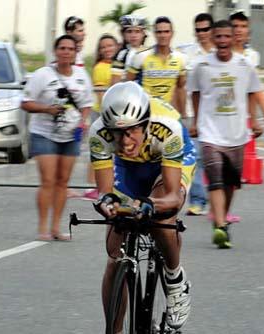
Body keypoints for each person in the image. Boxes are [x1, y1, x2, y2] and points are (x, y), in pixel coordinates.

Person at [90, 82, 194, 331]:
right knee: (114, 253)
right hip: (129, 169)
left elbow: (172, 196)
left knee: (161, 220)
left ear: (145, 123)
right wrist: (108, 204)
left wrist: (151, 204)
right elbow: (105, 192)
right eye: (117, 133)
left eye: (132, 131)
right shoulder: (98, 133)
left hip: (164, 164)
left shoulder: (166, 127)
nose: (125, 141)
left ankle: (174, 277)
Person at [188, 20, 262, 249]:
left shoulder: (244, 65)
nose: (222, 41)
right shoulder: (201, 65)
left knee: (231, 184)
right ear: (212, 38)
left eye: (226, 37)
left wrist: (254, 119)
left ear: (233, 39)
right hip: (210, 133)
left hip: (237, 134)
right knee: (216, 180)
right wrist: (196, 121)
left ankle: (221, 216)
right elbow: (196, 93)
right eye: (217, 37)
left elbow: (252, 92)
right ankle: (220, 226)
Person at [21, 35, 93, 241]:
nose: (66, 52)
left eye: (70, 49)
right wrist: (47, 109)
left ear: (75, 52)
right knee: (48, 180)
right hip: (44, 133)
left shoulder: (81, 75)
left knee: (63, 182)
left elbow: (87, 103)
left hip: (71, 134)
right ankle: (42, 227)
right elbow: (25, 102)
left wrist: (83, 121)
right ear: (55, 51)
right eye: (62, 48)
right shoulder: (42, 75)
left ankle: (56, 227)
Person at [179, 13, 215, 217]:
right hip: (192, 114)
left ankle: (217, 198)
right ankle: (198, 200)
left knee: (214, 161)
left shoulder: (219, 53)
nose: (202, 33)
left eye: (205, 29)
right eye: (198, 29)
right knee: (196, 157)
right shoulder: (187, 54)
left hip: (216, 116)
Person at [127, 16, 187, 118]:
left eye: (166, 31)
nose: (163, 35)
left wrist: (183, 113)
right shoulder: (141, 56)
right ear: (154, 34)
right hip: (145, 113)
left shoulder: (180, 58)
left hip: (168, 112)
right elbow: (128, 85)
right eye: (159, 32)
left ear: (172, 33)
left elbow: (180, 87)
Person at [82, 34, 119, 200]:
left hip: (118, 112)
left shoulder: (119, 65)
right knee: (98, 148)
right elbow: (100, 94)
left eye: (110, 46)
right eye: (103, 47)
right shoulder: (100, 67)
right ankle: (91, 185)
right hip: (102, 112)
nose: (107, 49)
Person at [230, 10, 264, 136]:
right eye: (235, 26)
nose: (239, 30)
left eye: (243, 27)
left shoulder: (252, 56)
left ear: (248, 31)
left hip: (243, 117)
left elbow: (254, 90)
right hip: (222, 116)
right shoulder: (221, 54)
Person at [110, 14, 148, 85]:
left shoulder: (150, 52)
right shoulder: (121, 55)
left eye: (137, 31)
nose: (133, 35)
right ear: (123, 34)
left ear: (143, 33)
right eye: (129, 31)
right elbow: (115, 82)